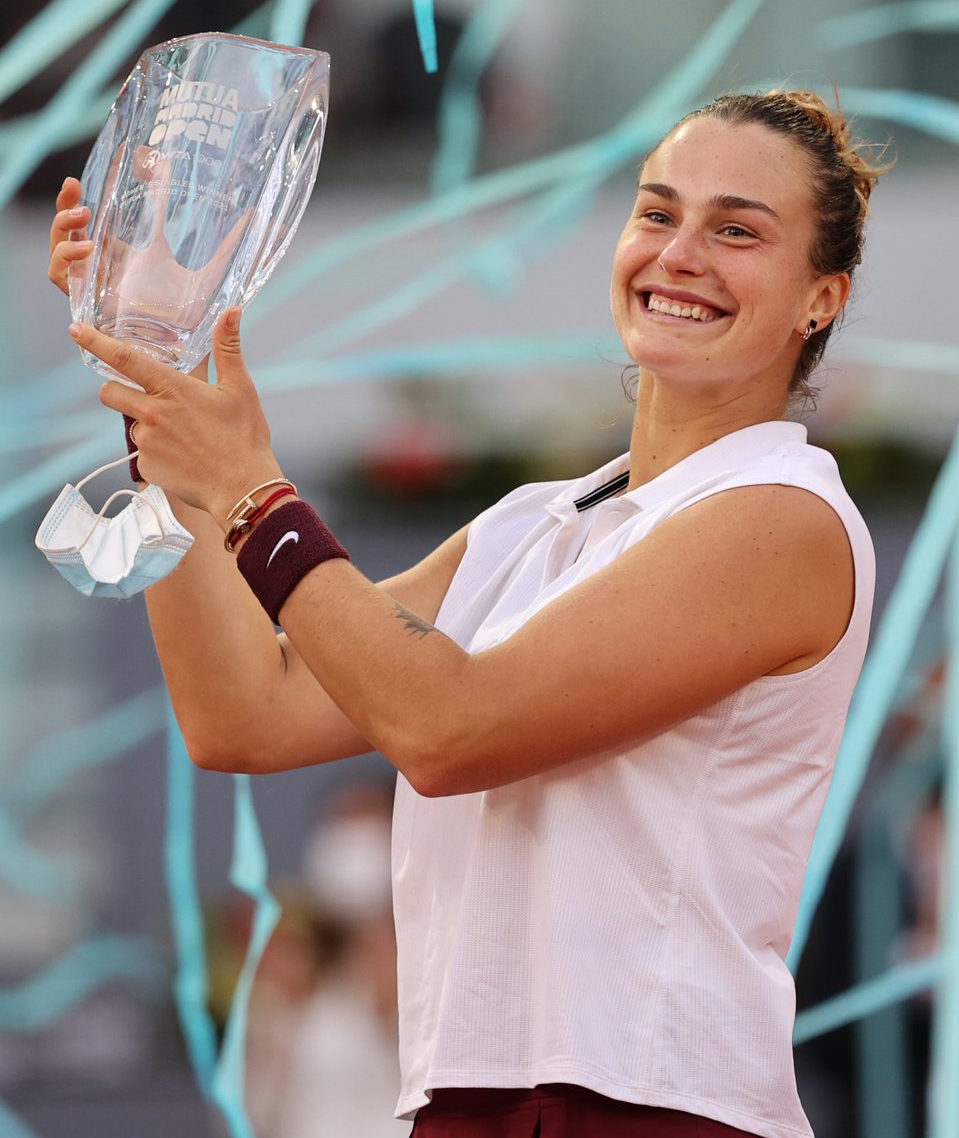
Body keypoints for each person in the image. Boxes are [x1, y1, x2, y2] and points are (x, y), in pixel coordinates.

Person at [48, 89, 886, 1138]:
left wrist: (254, 491)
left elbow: (448, 730)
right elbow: (242, 715)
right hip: (462, 1102)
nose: (678, 254)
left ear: (820, 296)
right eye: (656, 213)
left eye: (735, 230)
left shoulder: (783, 517)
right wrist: (159, 381)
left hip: (654, 1107)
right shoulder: (526, 522)